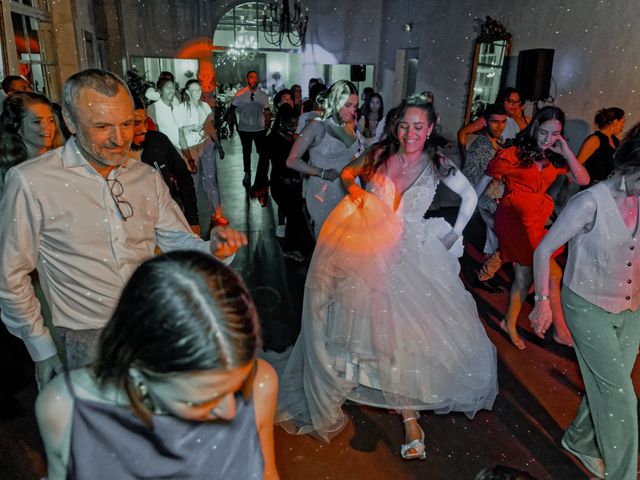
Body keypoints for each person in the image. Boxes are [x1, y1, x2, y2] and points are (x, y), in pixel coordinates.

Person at [273, 95, 497, 459]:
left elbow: (469, 198)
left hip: (411, 252)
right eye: (404, 125)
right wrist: (360, 196)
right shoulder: (378, 153)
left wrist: (454, 234)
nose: (410, 133)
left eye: (418, 126)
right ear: (396, 125)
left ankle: (409, 417)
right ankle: (400, 413)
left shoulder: (437, 162)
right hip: (368, 248)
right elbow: (348, 174)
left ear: (431, 126)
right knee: (370, 327)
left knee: (404, 333)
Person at [0, 69, 247, 389]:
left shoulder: (144, 177)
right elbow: (10, 274)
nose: (119, 139)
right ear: (71, 123)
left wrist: (216, 249)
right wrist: (41, 349)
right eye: (102, 126)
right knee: (103, 432)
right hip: (88, 338)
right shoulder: (31, 181)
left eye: (127, 124)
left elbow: (179, 244)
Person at [36, 251, 279, 480]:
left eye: (236, 387)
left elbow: (266, 474)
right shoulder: (68, 409)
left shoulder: (260, 384)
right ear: (137, 373)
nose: (230, 412)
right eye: (199, 401)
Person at [529, 133, 640, 480]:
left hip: (631, 309)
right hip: (587, 306)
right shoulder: (591, 202)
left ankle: (579, 439)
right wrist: (543, 302)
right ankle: (623, 475)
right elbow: (543, 250)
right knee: (621, 398)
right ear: (632, 167)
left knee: (607, 383)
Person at [475, 106, 590, 350]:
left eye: (555, 134)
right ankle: (558, 329)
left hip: (536, 219)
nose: (548, 139)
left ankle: (512, 322)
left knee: (525, 275)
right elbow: (482, 183)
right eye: (544, 133)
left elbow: (584, 180)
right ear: (535, 127)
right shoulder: (512, 154)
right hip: (513, 218)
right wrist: (468, 213)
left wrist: (566, 151)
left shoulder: (555, 156)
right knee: (552, 274)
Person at [286, 80, 362, 238]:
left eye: (355, 106)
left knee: (346, 244)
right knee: (327, 243)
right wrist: (321, 172)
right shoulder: (317, 125)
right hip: (324, 193)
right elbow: (292, 160)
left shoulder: (348, 125)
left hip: (348, 191)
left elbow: (349, 155)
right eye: (348, 105)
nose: (353, 110)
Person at [128, 96, 200, 233]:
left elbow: (184, 177)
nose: (143, 129)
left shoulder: (158, 142)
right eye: (135, 123)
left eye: (145, 122)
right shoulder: (113, 157)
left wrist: (192, 220)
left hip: (166, 225)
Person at [462, 103, 507, 284]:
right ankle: (484, 275)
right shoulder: (479, 148)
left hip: (500, 197)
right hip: (487, 200)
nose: (500, 126)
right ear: (485, 122)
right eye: (495, 122)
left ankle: (484, 276)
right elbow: (470, 178)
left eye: (503, 122)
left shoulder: (501, 143)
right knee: (505, 236)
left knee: (495, 238)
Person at [175, 79, 225, 219]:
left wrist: (218, 144)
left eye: (199, 89)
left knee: (211, 179)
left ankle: (217, 213)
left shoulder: (205, 107)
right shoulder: (181, 108)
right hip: (190, 148)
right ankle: (191, 216)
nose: (197, 93)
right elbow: (178, 132)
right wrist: (191, 128)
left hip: (207, 144)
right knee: (193, 183)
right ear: (187, 92)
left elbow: (210, 127)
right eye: (194, 90)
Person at [0, 91, 64, 191]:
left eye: (51, 121)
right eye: (37, 121)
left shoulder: (64, 161)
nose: (48, 127)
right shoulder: (7, 172)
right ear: (17, 127)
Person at [227, 71, 271, 187]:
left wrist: (267, 125)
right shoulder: (240, 94)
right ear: (247, 79)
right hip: (244, 129)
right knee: (246, 152)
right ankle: (247, 173)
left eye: (256, 77)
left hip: (259, 129)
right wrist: (236, 125)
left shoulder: (262, 94)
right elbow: (232, 109)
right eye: (251, 77)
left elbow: (267, 111)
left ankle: (264, 174)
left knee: (262, 153)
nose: (254, 79)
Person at [458, 87, 529, 156]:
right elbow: (462, 133)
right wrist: (464, 157)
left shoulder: (521, 120)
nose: (514, 105)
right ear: (502, 101)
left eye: (517, 101)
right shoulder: (491, 117)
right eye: (510, 101)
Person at [576, 107, 625, 185]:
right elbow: (576, 164)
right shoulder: (595, 139)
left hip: (608, 186)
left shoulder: (615, 141)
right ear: (616, 122)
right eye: (622, 122)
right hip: (593, 187)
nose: (623, 126)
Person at [146, 78, 181, 152]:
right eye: (168, 87)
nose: (171, 90)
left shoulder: (177, 108)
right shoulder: (153, 108)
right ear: (159, 91)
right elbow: (154, 133)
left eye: (173, 88)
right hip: (167, 149)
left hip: (182, 148)